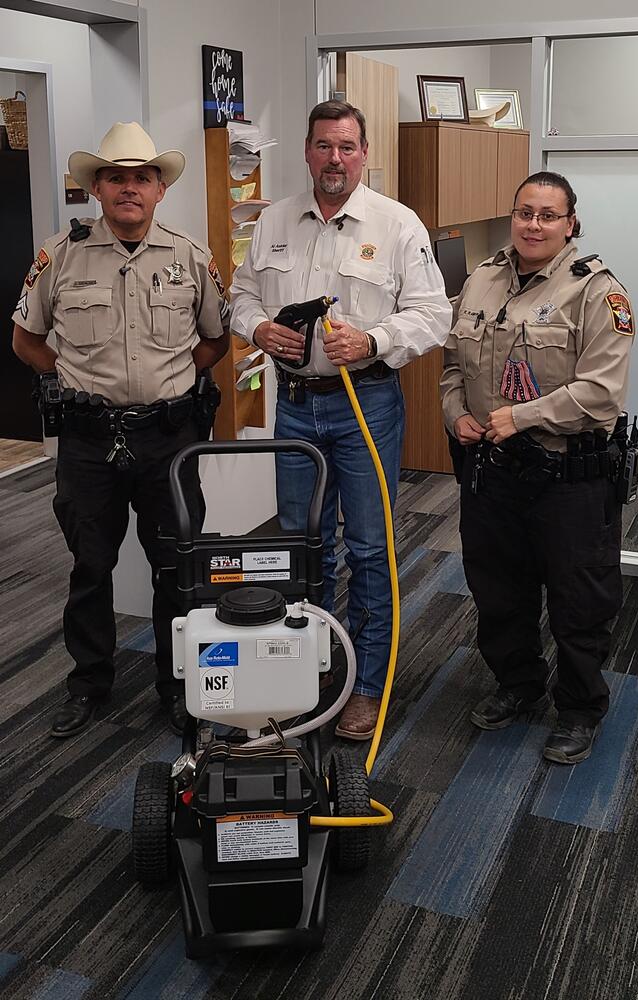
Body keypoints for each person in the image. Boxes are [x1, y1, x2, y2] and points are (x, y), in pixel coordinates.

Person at [230, 100, 452, 740]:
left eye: (348, 147)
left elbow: (434, 314)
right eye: (324, 145)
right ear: (306, 150)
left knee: (369, 549)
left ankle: (365, 686)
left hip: (367, 403)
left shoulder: (397, 223)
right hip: (295, 405)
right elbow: (242, 296)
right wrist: (259, 327)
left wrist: (376, 341)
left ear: (363, 153)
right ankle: (309, 674)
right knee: (302, 550)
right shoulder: (274, 220)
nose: (335, 158)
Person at [12, 121, 230, 738]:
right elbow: (25, 339)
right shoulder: (60, 255)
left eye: (142, 177)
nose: (129, 188)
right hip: (88, 442)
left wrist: (172, 381)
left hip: (169, 439)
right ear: (97, 188)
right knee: (90, 566)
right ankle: (89, 685)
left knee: (177, 568)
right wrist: (72, 379)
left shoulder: (190, 257)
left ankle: (177, 687)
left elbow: (216, 339)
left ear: (160, 190)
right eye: (116, 177)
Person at [440, 170, 634, 765]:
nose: (534, 224)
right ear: (512, 216)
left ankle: (578, 708)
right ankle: (518, 683)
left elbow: (602, 394)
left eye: (549, 215)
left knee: (578, 598)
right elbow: (451, 366)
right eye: (525, 212)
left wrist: (521, 417)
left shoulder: (598, 292)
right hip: (491, 470)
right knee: (498, 586)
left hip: (568, 476)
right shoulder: (480, 280)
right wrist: (455, 415)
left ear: (571, 223)